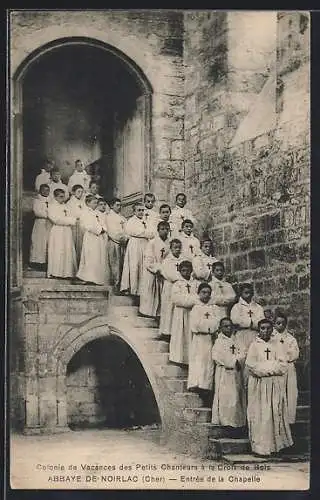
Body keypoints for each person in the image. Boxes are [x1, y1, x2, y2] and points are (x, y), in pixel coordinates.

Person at [245, 318, 293, 457]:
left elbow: (283, 365)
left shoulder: (278, 345)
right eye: (262, 328)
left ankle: (278, 445)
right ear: (259, 330)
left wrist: (269, 369)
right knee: (261, 414)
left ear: (272, 329)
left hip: (275, 384)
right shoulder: (254, 345)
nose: (265, 331)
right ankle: (261, 447)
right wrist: (269, 368)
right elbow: (252, 366)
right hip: (259, 386)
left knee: (275, 412)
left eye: (268, 328)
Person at [187, 283, 222, 405]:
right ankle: (200, 387)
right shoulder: (196, 308)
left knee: (210, 364)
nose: (206, 295)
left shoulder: (215, 308)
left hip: (212, 339)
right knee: (201, 363)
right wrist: (209, 326)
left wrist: (209, 326)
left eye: (208, 292)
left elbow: (218, 323)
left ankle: (208, 388)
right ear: (199, 293)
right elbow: (195, 325)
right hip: (200, 339)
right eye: (204, 292)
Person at [211, 317, 247, 428]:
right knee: (226, 397)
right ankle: (226, 422)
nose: (228, 328)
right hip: (224, 373)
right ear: (221, 328)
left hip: (236, 373)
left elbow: (243, 352)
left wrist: (238, 360)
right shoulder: (219, 341)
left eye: (230, 326)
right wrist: (232, 362)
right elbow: (217, 357)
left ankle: (236, 422)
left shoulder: (236, 340)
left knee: (236, 398)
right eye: (225, 326)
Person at [271, 311, 300, 424]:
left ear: (286, 324)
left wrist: (284, 357)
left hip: (288, 367)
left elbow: (294, 353)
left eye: (283, 323)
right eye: (278, 323)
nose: (280, 326)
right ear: (274, 324)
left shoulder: (291, 338)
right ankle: (277, 418)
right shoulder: (271, 337)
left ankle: (289, 419)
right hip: (276, 367)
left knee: (290, 392)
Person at [120, 203, 154, 296]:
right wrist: (145, 233)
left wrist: (145, 233)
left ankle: (142, 290)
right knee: (134, 266)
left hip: (145, 244)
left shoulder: (146, 221)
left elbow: (152, 232)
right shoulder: (131, 221)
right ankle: (133, 289)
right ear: (134, 211)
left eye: (142, 210)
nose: (141, 212)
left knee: (143, 266)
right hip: (135, 245)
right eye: (139, 210)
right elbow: (132, 231)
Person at [139, 221, 171, 318]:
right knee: (150, 292)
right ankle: (147, 312)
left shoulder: (170, 243)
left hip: (164, 272)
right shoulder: (152, 243)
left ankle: (160, 313)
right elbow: (148, 259)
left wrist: (165, 269)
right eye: (162, 229)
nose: (164, 231)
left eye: (166, 229)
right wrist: (157, 269)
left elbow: (170, 258)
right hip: (153, 271)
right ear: (158, 230)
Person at [169, 260, 198, 365]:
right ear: (180, 271)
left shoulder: (195, 284)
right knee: (180, 335)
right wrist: (191, 300)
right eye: (183, 270)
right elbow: (176, 299)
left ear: (191, 271)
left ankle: (189, 360)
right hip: (180, 313)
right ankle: (178, 358)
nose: (186, 273)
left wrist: (191, 300)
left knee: (190, 335)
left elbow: (198, 297)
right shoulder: (177, 284)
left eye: (188, 270)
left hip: (192, 313)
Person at [76, 195, 108, 285]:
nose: (96, 205)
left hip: (99, 238)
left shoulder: (97, 213)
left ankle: (97, 278)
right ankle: (88, 277)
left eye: (96, 203)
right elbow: (86, 225)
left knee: (97, 257)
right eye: (94, 203)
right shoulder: (84, 213)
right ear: (87, 203)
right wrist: (98, 230)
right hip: (90, 237)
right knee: (90, 257)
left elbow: (103, 223)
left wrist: (103, 229)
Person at [47, 188, 77, 278]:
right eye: (60, 197)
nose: (63, 199)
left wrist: (70, 220)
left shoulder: (66, 206)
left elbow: (73, 216)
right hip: (58, 231)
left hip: (67, 231)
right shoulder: (52, 206)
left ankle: (67, 273)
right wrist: (69, 220)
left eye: (63, 197)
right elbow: (56, 219)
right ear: (55, 197)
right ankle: (56, 273)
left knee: (67, 250)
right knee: (58, 251)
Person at [159, 239, 184, 341]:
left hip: (180, 287)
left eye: (179, 247)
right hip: (170, 286)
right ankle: (166, 332)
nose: (177, 250)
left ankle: (176, 332)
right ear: (171, 248)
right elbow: (168, 274)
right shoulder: (167, 261)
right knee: (168, 309)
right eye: (175, 247)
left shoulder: (183, 260)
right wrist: (180, 277)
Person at [230, 282, 265, 356]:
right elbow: (235, 320)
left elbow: (261, 321)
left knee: (255, 355)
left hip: (255, 334)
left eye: (250, 292)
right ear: (241, 293)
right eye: (246, 292)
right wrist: (250, 322)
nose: (248, 295)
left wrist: (252, 324)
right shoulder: (236, 307)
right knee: (242, 355)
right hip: (241, 335)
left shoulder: (258, 307)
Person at [105, 198, 128, 292]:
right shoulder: (109, 217)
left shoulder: (122, 217)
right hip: (114, 242)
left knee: (121, 265)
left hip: (122, 243)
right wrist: (123, 238)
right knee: (114, 264)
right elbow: (112, 232)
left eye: (120, 205)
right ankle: (115, 285)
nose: (119, 207)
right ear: (111, 206)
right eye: (117, 205)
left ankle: (120, 286)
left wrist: (126, 237)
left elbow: (127, 230)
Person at [29, 183, 52, 270]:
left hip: (49, 223)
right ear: (40, 190)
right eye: (44, 190)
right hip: (40, 223)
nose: (46, 192)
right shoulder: (37, 200)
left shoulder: (51, 200)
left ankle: (45, 262)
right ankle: (36, 262)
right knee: (38, 242)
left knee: (47, 242)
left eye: (48, 190)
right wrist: (48, 215)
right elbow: (37, 212)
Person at [66, 184, 85, 265]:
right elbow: (70, 214)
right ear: (73, 192)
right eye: (78, 191)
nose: (80, 193)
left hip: (81, 224)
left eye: (82, 192)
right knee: (74, 244)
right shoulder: (70, 202)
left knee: (81, 245)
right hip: (74, 225)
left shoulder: (81, 202)